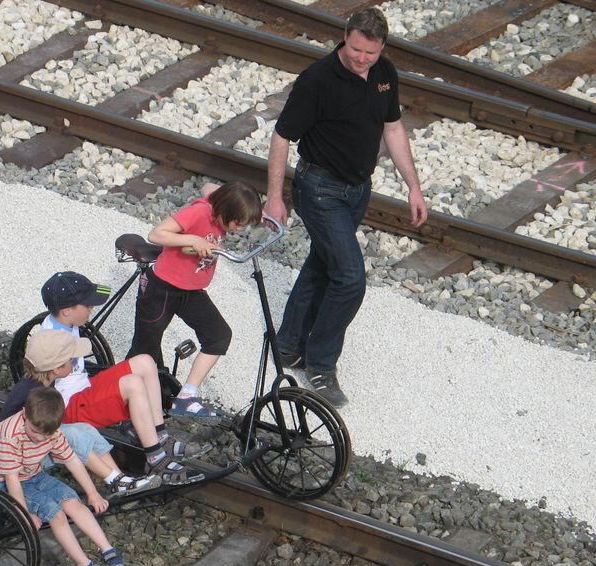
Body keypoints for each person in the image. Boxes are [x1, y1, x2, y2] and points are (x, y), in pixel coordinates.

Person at [264, 8, 428, 408]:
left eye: (369, 53)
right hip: (319, 188)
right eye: (355, 49)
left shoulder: (385, 73)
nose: (361, 59)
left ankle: (288, 345)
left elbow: (392, 127)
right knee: (351, 278)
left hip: (357, 190)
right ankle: (320, 365)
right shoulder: (317, 80)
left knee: (323, 265)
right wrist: (274, 197)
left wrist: (414, 186)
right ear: (345, 37)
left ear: (382, 48)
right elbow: (282, 137)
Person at [39, 276, 205, 485]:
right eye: (88, 304)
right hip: (71, 406)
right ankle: (155, 458)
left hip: (82, 386)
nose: (91, 308)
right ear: (67, 310)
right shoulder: (52, 340)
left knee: (145, 362)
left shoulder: (63, 321)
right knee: (133, 384)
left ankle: (160, 435)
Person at [126, 181, 263, 420]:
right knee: (144, 351)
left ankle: (186, 397)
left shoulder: (218, 202)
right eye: (238, 223)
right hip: (163, 289)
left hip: (192, 291)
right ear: (225, 210)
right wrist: (193, 240)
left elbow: (210, 186)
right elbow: (156, 234)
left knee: (219, 335)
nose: (239, 229)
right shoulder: (199, 212)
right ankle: (126, 402)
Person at [0, 385, 130, 566]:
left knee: (73, 501)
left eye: (45, 435)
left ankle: (107, 550)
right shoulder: (7, 436)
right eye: (34, 432)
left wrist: (92, 492)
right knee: (55, 513)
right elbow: (12, 481)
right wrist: (24, 516)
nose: (40, 439)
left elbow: (73, 461)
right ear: (24, 415)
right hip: (1, 481)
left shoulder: (52, 431)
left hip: (32, 473)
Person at [0, 332, 161, 499]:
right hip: (21, 459)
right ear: (56, 369)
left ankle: (121, 482)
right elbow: (10, 436)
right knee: (72, 434)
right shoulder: (31, 394)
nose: (73, 362)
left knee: (85, 429)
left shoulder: (42, 383)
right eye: (71, 359)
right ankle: (114, 480)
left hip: (34, 445)